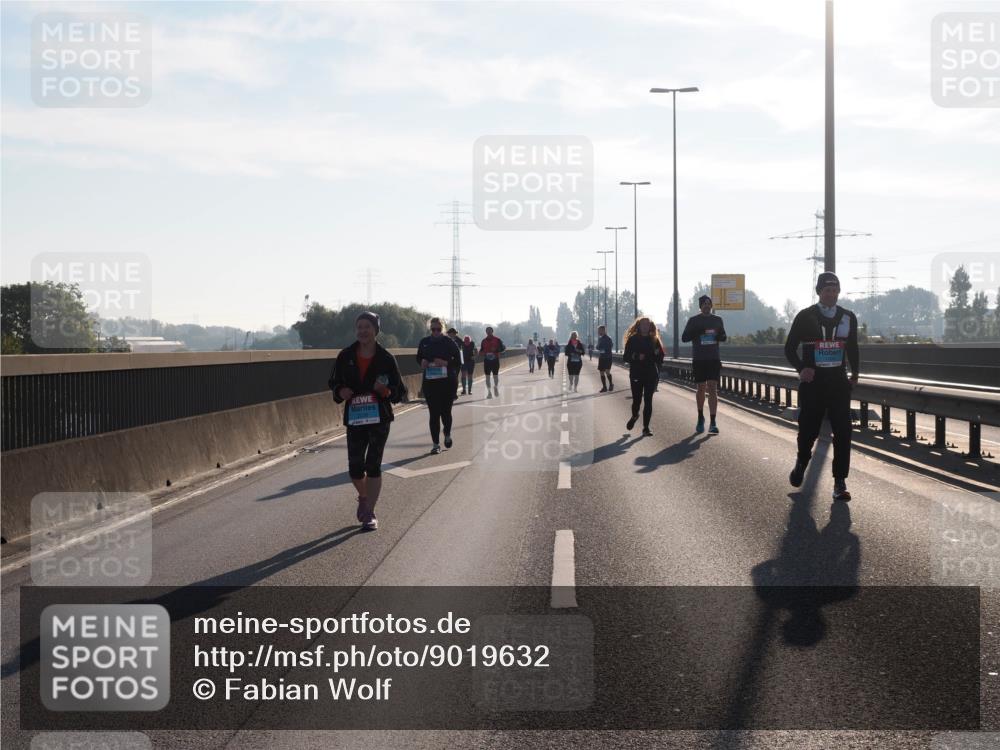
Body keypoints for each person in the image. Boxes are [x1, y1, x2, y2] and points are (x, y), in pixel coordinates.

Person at [784, 272, 860, 501]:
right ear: (819, 292)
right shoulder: (805, 316)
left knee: (844, 431)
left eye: (835, 290)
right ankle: (801, 464)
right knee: (808, 431)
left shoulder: (848, 317)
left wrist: (855, 373)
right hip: (813, 384)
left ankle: (839, 482)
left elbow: (853, 347)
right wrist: (801, 369)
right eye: (827, 290)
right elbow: (789, 348)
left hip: (838, 383)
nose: (832, 294)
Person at [329, 311, 405, 531]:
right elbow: (333, 381)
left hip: (379, 417)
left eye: (367, 327)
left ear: (376, 330)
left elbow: (399, 391)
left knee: (373, 465)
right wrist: (340, 390)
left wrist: (386, 390)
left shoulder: (386, 358)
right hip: (355, 418)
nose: (363, 331)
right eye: (359, 327)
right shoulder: (345, 355)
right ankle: (364, 496)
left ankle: (370, 512)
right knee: (355, 468)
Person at [682, 295, 728, 434]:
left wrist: (720, 336)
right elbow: (684, 338)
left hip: (713, 359)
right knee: (701, 388)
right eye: (704, 304)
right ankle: (700, 417)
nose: (707, 306)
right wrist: (698, 332)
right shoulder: (693, 320)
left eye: (709, 304)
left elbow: (724, 336)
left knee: (713, 388)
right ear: (700, 306)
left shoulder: (718, 320)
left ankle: (713, 422)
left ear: (711, 306)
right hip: (699, 359)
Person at [416, 317, 461, 454]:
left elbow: (458, 361)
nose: (435, 331)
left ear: (443, 329)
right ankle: (436, 444)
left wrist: (446, 363)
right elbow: (419, 358)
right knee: (434, 414)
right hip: (430, 384)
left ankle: (447, 434)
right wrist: (422, 362)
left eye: (438, 329)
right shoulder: (424, 342)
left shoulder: (449, 342)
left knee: (446, 413)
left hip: (447, 383)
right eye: (433, 329)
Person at [623, 316, 665, 437]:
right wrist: (636, 356)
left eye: (647, 324)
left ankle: (646, 428)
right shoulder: (633, 339)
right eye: (643, 324)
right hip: (636, 373)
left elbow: (661, 358)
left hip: (651, 374)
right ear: (639, 326)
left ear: (650, 326)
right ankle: (635, 415)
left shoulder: (654, 340)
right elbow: (626, 357)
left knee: (648, 401)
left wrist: (657, 355)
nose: (645, 326)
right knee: (637, 401)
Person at [480, 326, 506, 399]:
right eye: (487, 331)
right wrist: (482, 353)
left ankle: (496, 387)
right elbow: (481, 351)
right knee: (487, 377)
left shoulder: (497, 340)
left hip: (495, 360)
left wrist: (496, 350)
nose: (488, 332)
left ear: (492, 331)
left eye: (489, 331)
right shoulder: (483, 341)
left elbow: (503, 349)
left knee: (495, 376)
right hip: (487, 361)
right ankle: (489, 393)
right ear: (486, 332)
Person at [596, 324, 614, 392]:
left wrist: (604, 349)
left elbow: (611, 346)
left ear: (603, 330)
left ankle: (611, 384)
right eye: (598, 331)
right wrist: (599, 347)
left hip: (608, 357)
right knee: (601, 372)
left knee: (607, 372)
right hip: (602, 357)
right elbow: (597, 347)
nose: (598, 332)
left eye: (599, 331)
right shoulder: (600, 339)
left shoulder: (608, 338)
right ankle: (604, 387)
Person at [447, 327, 463, 398]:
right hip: (448, 362)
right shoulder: (446, 341)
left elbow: (462, 351)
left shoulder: (459, 341)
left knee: (455, 377)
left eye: (453, 334)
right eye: (450, 334)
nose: (452, 335)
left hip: (457, 362)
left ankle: (454, 393)